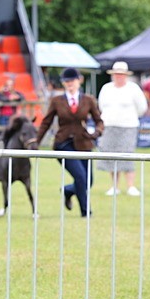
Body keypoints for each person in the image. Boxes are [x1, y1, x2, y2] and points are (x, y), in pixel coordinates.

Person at [36, 67, 104, 217]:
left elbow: (99, 121)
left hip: (84, 143)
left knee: (88, 181)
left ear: (79, 80)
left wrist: (97, 132)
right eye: (66, 81)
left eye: (72, 80)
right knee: (80, 176)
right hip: (63, 144)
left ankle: (67, 190)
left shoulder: (88, 100)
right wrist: (37, 141)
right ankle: (86, 212)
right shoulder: (56, 101)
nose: (70, 84)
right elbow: (46, 122)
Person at [96, 61, 148, 196]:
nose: (118, 77)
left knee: (128, 154)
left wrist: (128, 117)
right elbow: (101, 105)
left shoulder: (133, 89)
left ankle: (131, 186)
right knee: (111, 155)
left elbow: (142, 108)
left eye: (121, 74)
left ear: (125, 75)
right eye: (116, 74)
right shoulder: (106, 88)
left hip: (128, 126)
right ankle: (114, 186)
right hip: (109, 126)